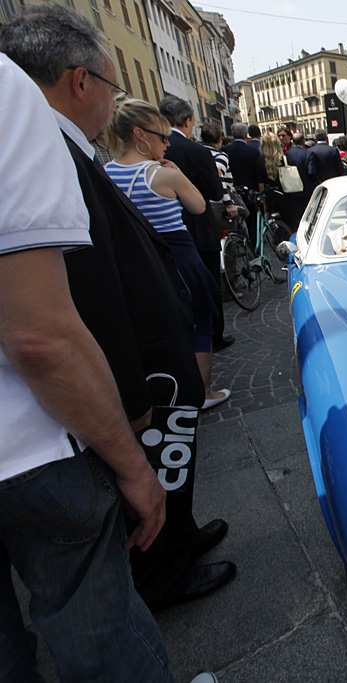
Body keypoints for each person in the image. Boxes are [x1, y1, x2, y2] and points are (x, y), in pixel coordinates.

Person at [1, 3, 232, 643]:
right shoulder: (42, 150)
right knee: (151, 481)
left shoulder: (71, 152)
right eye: (112, 85)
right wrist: (129, 404)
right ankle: (166, 571)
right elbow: (72, 307)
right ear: (80, 82)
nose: (114, 100)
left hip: (148, 356)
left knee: (172, 472)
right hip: (129, 378)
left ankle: (181, 540)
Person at [0, 48, 174, 683]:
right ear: (81, 81)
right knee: (97, 634)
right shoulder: (11, 99)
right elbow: (42, 336)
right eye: (111, 81)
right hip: (28, 449)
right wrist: (133, 464)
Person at [105, 100, 231, 411]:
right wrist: (177, 174)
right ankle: (202, 391)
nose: (167, 145)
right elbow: (199, 206)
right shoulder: (164, 174)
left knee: (155, 328)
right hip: (178, 253)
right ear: (141, 135)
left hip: (134, 259)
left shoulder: (105, 172)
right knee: (200, 319)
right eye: (163, 138)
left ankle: (165, 391)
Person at [159, 96, 232, 351]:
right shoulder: (196, 151)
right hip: (198, 227)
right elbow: (214, 191)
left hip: (163, 232)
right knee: (208, 283)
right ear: (188, 121)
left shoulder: (154, 150)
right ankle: (214, 336)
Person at [223, 121, 261, 246]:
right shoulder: (253, 152)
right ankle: (254, 249)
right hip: (250, 193)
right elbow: (258, 174)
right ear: (246, 134)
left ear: (233, 134)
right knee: (253, 223)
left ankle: (238, 244)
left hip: (232, 193)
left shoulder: (225, 151)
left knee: (235, 223)